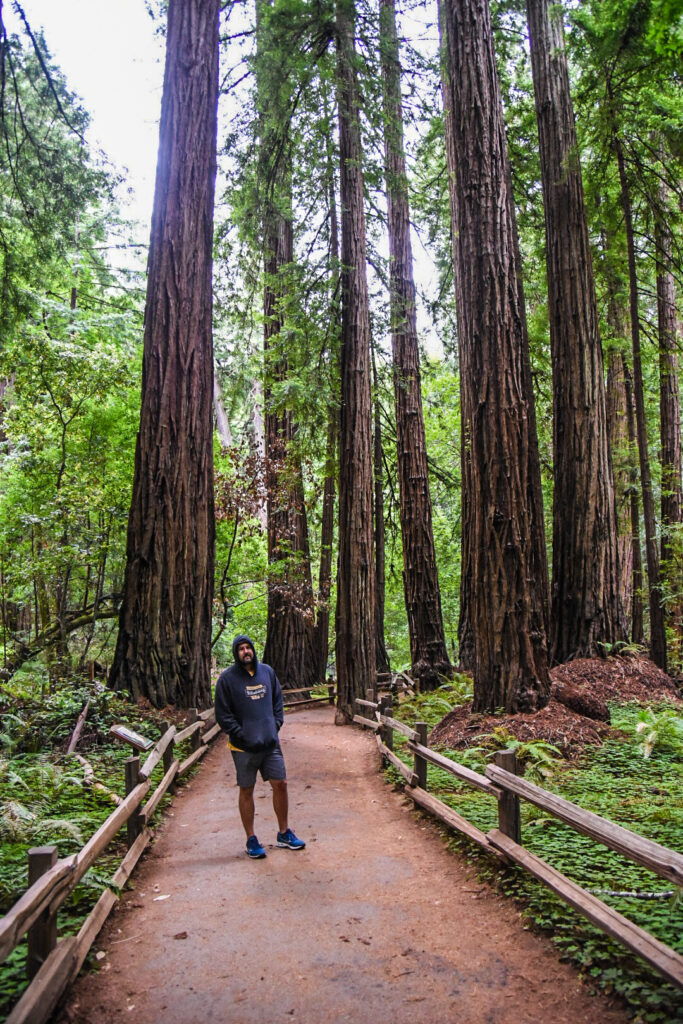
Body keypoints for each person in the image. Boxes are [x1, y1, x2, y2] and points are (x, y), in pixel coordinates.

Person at [214, 634, 306, 859]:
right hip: (243, 747)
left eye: (248, 648)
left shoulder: (267, 673)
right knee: (247, 789)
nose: (246, 651)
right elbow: (223, 715)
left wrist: (274, 726)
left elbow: (277, 702)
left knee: (281, 783)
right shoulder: (227, 680)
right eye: (241, 649)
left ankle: (284, 833)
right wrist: (240, 734)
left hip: (269, 744)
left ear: (253, 649)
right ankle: (251, 838)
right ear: (236, 653)